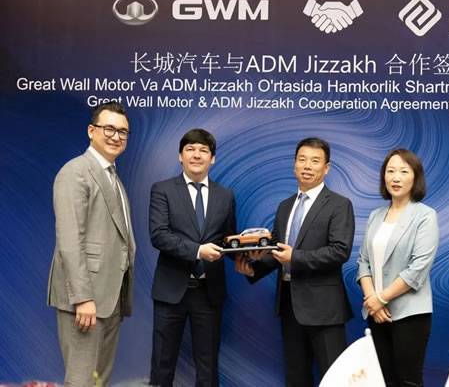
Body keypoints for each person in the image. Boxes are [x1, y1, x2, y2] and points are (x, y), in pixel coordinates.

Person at [235, 137, 355, 386]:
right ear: (294, 165)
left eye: (315, 161)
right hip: (290, 305)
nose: (307, 166)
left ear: (326, 168)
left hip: (325, 310)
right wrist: (253, 268)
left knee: (335, 379)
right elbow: (278, 251)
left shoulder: (339, 205)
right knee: (296, 377)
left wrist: (295, 257)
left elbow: (339, 252)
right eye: (302, 160)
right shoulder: (285, 206)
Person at [47, 101, 135, 386]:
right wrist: (83, 298)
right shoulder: (75, 172)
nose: (116, 136)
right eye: (109, 128)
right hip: (86, 300)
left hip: (109, 299)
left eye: (122, 131)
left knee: (98, 380)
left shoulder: (113, 177)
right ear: (91, 130)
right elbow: (70, 240)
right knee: (81, 380)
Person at [148, 129, 236, 387]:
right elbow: (159, 235)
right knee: (162, 365)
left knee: (208, 368)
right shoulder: (162, 190)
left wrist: (247, 255)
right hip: (170, 291)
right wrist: (198, 251)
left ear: (212, 158)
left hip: (209, 293)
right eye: (190, 149)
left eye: (203, 150)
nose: (197, 155)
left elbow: (228, 239)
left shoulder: (225, 195)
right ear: (180, 156)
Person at [356, 149, 439, 387]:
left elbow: (417, 269)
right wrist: (372, 300)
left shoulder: (425, 216)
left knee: (408, 381)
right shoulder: (375, 216)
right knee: (382, 380)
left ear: (415, 177)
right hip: (376, 313)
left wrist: (381, 298)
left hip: (409, 314)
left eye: (403, 171)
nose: (396, 177)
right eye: (390, 171)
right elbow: (363, 261)